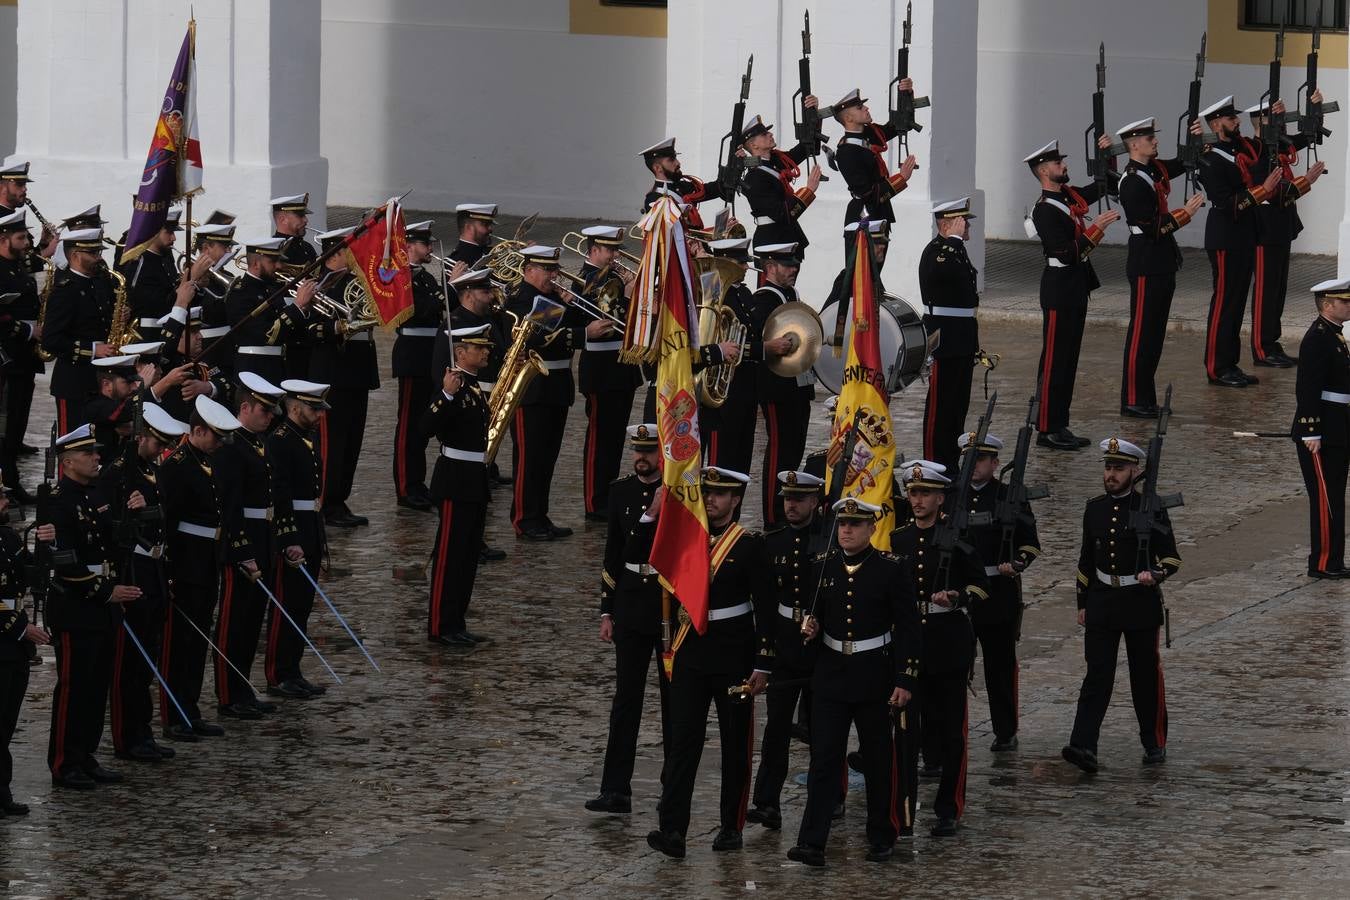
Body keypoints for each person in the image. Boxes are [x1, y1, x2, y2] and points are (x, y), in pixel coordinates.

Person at [643, 467, 774, 859]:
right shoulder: (688, 536)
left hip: (734, 654)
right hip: (691, 651)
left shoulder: (749, 546)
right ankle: (672, 829)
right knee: (682, 742)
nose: (711, 500)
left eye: (719, 494)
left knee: (735, 744)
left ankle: (731, 825)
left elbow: (766, 609)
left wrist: (763, 663)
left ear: (736, 500)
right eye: (707, 493)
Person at [787, 498, 921, 868]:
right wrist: (811, 628)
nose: (846, 530)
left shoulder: (891, 568)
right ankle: (812, 842)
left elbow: (908, 627)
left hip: (873, 673)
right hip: (831, 674)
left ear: (871, 528)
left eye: (855, 524)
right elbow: (816, 612)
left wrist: (905, 678)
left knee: (878, 760)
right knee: (824, 760)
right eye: (842, 524)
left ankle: (882, 834)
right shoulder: (823, 565)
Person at [1062, 437, 1181, 774]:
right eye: (1108, 467)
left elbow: (1172, 557)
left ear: (1135, 471)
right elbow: (1086, 560)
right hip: (1102, 600)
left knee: (1145, 676)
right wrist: (1082, 602)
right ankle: (1083, 744)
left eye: (1118, 468)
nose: (1111, 475)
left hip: (1140, 602)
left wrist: (1156, 573)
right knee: (1097, 675)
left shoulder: (1151, 507)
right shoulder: (1095, 508)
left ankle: (1153, 741)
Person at [890, 461, 989, 837]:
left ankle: (949, 807)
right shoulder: (899, 539)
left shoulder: (958, 536)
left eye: (925, 493)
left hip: (947, 641)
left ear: (940, 498)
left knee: (951, 733)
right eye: (913, 492)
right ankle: (903, 810)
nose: (917, 500)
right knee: (905, 731)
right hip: (909, 643)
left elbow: (982, 586)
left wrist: (958, 596)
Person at [41, 424, 141, 789]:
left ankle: (85, 754)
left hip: (102, 607)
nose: (97, 458)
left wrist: (133, 515)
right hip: (76, 607)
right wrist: (107, 592)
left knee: (97, 687)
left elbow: (112, 546)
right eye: (88, 454)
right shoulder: (57, 502)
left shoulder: (91, 496)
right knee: (74, 687)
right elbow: (65, 563)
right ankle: (64, 761)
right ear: (67, 462)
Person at [585, 423, 668, 815]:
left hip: (667, 604)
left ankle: (672, 787)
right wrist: (607, 609)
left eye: (649, 451)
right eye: (638, 450)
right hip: (631, 603)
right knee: (625, 701)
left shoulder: (680, 492)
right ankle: (615, 788)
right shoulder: (620, 492)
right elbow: (613, 554)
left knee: (674, 701)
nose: (641, 458)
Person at [98, 400, 184, 762]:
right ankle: (126, 736)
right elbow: (107, 529)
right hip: (132, 569)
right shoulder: (118, 473)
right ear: (141, 437)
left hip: (153, 570)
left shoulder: (150, 470)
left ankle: (142, 730)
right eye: (157, 442)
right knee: (128, 663)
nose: (161, 449)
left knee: (147, 658)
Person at [1025, 140, 1120, 450]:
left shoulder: (1067, 196)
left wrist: (1106, 155)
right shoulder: (1044, 210)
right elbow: (1066, 254)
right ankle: (1046, 428)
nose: (1064, 166)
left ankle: (1060, 423)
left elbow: (1101, 186)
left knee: (1068, 361)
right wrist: (1097, 230)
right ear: (1043, 171)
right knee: (1054, 361)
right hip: (1059, 289)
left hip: (1075, 287)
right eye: (1057, 163)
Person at [504, 245, 603, 541]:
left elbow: (573, 322)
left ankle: (540, 515)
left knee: (547, 457)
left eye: (555, 269)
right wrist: (584, 334)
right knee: (529, 457)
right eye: (548, 270)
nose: (554, 275)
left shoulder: (553, 297)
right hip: (531, 387)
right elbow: (538, 336)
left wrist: (573, 304)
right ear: (529, 270)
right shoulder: (520, 299)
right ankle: (524, 518)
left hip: (557, 384)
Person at [158, 395, 242, 742]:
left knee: (197, 641)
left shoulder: (209, 461)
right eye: (215, 437)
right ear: (197, 431)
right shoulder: (176, 467)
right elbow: (168, 523)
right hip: (185, 563)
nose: (220, 444)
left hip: (207, 560)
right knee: (179, 643)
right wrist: (170, 571)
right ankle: (174, 714)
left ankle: (190, 709)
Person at [747, 469, 824, 831]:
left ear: (815, 502)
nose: (791, 505)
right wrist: (764, 654)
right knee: (776, 728)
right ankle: (767, 802)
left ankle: (832, 796)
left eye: (799, 499)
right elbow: (763, 603)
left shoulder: (829, 538)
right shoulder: (771, 542)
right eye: (787, 499)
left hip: (821, 646)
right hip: (783, 643)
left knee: (824, 730)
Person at [1114, 117, 1206, 417]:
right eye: (1149, 138)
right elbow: (1151, 227)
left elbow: (1181, 163)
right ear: (1134, 144)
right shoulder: (1131, 181)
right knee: (1141, 334)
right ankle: (1132, 399)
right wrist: (1185, 213)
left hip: (1162, 259)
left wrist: (1195, 139)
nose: (1155, 141)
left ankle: (1145, 398)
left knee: (1154, 336)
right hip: (1146, 259)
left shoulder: (1151, 170)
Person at [213, 372, 288, 718]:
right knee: (233, 623)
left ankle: (243, 688)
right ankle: (229, 695)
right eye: (264, 410)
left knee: (251, 622)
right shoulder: (231, 446)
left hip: (263, 538)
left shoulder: (258, 442)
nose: (270, 416)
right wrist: (243, 551)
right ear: (244, 408)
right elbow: (230, 506)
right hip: (241, 545)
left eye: (271, 411)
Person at [960, 432, 1041, 752]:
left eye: (980, 459)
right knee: (952, 667)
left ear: (995, 463)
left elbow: (1030, 541)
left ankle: (1005, 730)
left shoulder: (1009, 496)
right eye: (968, 459)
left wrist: (1018, 561)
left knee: (1000, 665)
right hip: (960, 595)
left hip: (997, 591)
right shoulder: (951, 495)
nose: (973, 465)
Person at [1195, 96, 1282, 388]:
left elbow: (1263, 146)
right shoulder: (1210, 159)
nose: (1237, 122)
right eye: (1231, 118)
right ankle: (1216, 367)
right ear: (1215, 124)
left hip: (1244, 234)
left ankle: (1229, 363)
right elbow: (1226, 203)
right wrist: (1262, 190)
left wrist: (1273, 119)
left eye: (1236, 117)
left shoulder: (1238, 149)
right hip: (1225, 236)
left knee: (1235, 304)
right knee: (1224, 303)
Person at [424, 326, 494, 648]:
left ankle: (457, 621)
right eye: (478, 347)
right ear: (461, 353)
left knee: (467, 558)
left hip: (475, 478)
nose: (486, 351)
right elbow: (425, 427)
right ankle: (440, 625)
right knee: (449, 557)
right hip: (454, 478)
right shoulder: (452, 387)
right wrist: (446, 395)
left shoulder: (475, 386)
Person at [1246, 99, 1327, 368]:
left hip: (1281, 226)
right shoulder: (1254, 152)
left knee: (1277, 290)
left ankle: (1272, 343)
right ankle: (1261, 349)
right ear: (1263, 122)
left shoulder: (1278, 145)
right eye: (1276, 120)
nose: (1282, 125)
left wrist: (1316, 107)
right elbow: (1274, 193)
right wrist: (1306, 181)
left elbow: (1310, 134)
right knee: (1265, 291)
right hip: (1265, 228)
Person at [265, 379, 331, 699]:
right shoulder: (279, 441)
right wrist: (288, 536)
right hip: (293, 530)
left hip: (310, 526)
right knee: (286, 605)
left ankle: (293, 668)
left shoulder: (305, 436)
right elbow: (280, 493)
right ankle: (278, 674)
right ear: (294, 408)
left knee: (302, 605)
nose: (319, 415)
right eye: (313, 409)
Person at [308, 227, 377, 530]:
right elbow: (310, 330)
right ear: (333, 255)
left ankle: (340, 498)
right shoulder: (318, 287)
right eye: (349, 250)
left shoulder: (357, 282)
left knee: (351, 441)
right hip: (332, 373)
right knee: (331, 444)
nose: (355, 255)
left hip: (358, 371)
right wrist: (338, 328)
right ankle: (325, 501)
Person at [575, 226, 640, 520]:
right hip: (601, 369)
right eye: (610, 250)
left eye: (616, 249)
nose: (615, 255)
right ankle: (594, 501)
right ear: (593, 250)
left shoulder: (612, 276)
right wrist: (627, 296)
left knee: (614, 439)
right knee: (599, 440)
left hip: (621, 367)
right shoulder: (586, 279)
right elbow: (609, 321)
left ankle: (608, 496)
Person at [752, 243, 814, 526]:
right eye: (788, 265)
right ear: (770, 267)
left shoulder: (790, 295)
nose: (795, 269)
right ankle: (773, 517)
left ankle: (788, 511)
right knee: (779, 453)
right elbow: (757, 343)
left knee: (794, 450)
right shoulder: (764, 300)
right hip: (776, 388)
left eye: (796, 264)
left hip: (798, 386)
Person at [1292, 279, 1350, 579]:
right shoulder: (1317, 338)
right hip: (1322, 432)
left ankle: (1334, 560)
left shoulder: (1333, 334)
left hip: (1337, 427)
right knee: (1326, 499)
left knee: (1335, 497)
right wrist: (1311, 431)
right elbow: (1307, 388)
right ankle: (1324, 563)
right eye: (1345, 302)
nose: (1349, 306)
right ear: (1328, 305)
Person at [0, 489, 53, 811]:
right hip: (7, 636)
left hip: (14, 647)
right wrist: (20, 627)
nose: (6, 502)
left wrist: (47, 543)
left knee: (7, 719)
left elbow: (32, 571)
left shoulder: (7, 537)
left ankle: (1, 789)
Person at [919, 198, 981, 471]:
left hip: (962, 337)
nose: (968, 227)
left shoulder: (956, 249)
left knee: (957, 405)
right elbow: (938, 273)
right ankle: (934, 462)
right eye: (963, 222)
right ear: (947, 224)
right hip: (944, 339)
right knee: (940, 406)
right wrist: (953, 239)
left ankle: (951, 461)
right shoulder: (937, 250)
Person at [40, 227, 118, 434]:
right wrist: (93, 350)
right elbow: (50, 340)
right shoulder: (65, 291)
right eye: (92, 253)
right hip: (73, 381)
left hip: (98, 378)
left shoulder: (97, 285)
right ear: (75, 255)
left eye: (98, 252)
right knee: (73, 442)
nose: (98, 258)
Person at [392, 220, 444, 511]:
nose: (430, 248)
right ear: (409, 246)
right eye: (425, 244)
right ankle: (405, 486)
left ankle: (417, 481)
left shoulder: (425, 277)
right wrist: (450, 287)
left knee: (422, 425)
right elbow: (421, 309)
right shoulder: (398, 276)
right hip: (412, 355)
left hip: (429, 354)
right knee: (408, 425)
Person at [700, 238, 759, 475]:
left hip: (745, 384)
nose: (746, 267)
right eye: (740, 263)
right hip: (721, 388)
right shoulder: (711, 292)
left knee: (741, 458)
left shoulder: (744, 293)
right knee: (721, 461)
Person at [225, 236, 319, 384]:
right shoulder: (241, 293)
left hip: (278, 366)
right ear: (256, 263)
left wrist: (304, 308)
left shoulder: (271, 289)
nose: (279, 266)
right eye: (273, 261)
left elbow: (291, 332)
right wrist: (297, 306)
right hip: (254, 367)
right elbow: (268, 335)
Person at [0, 209, 46, 501]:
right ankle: (8, 483)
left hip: (25, 357)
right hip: (7, 356)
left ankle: (11, 481)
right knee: (5, 425)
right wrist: (28, 330)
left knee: (17, 422)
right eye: (21, 238)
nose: (27, 243)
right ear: (4, 239)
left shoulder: (19, 266)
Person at [831, 87, 919, 231]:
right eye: (860, 107)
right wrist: (900, 178)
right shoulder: (846, 152)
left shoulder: (870, 133)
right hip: (864, 218)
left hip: (880, 211)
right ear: (848, 118)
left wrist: (907, 94)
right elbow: (868, 195)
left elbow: (902, 123)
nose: (866, 108)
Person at [738, 113, 823, 252]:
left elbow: (807, 146)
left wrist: (813, 113)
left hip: (787, 236)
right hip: (772, 241)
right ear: (753, 145)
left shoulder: (776, 161)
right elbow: (782, 214)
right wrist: (808, 191)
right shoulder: (754, 178)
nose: (770, 134)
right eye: (764, 134)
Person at [120, 208, 183, 343]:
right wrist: (183, 286)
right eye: (169, 232)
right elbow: (153, 304)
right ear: (153, 231)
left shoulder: (164, 260)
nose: (173, 238)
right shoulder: (140, 262)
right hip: (148, 336)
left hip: (165, 332)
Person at [638, 137, 731, 226]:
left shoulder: (682, 186)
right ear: (658, 168)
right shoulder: (654, 199)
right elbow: (672, 234)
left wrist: (734, 164)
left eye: (675, 158)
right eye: (671, 160)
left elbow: (714, 189)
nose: (678, 163)